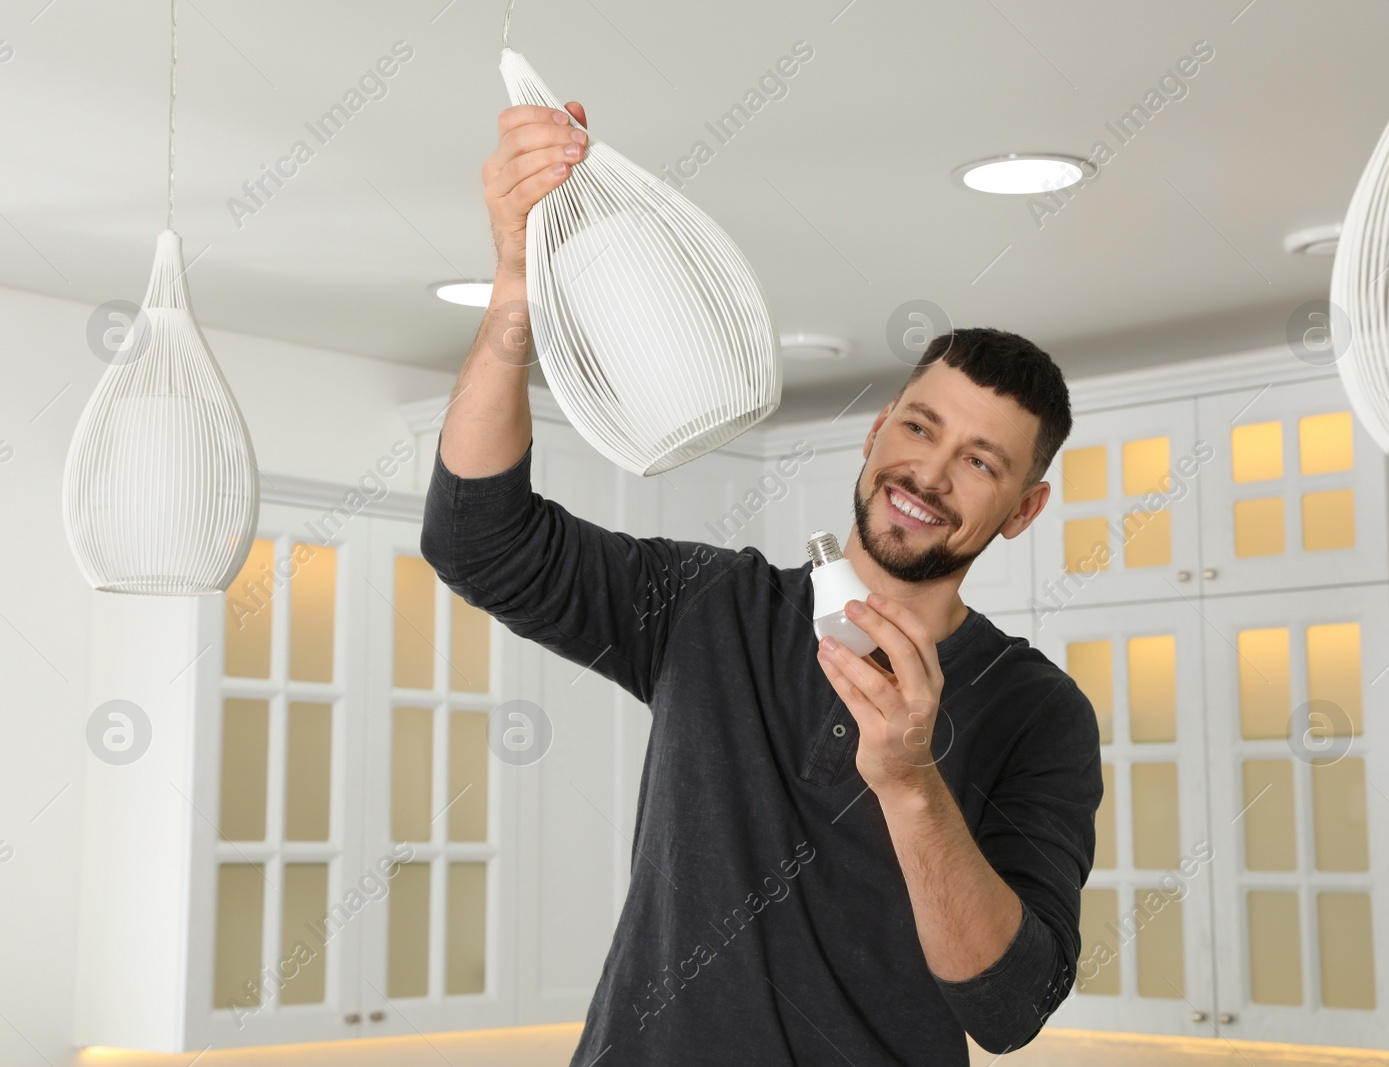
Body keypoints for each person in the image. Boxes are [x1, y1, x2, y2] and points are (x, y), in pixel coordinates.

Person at [421, 99, 1103, 1066]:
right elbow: (477, 540)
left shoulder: (1040, 712)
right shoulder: (712, 607)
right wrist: (514, 295)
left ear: (1022, 511)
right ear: (877, 436)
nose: (929, 474)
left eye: (982, 462)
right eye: (919, 427)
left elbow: (1008, 1006)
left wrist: (909, 781)